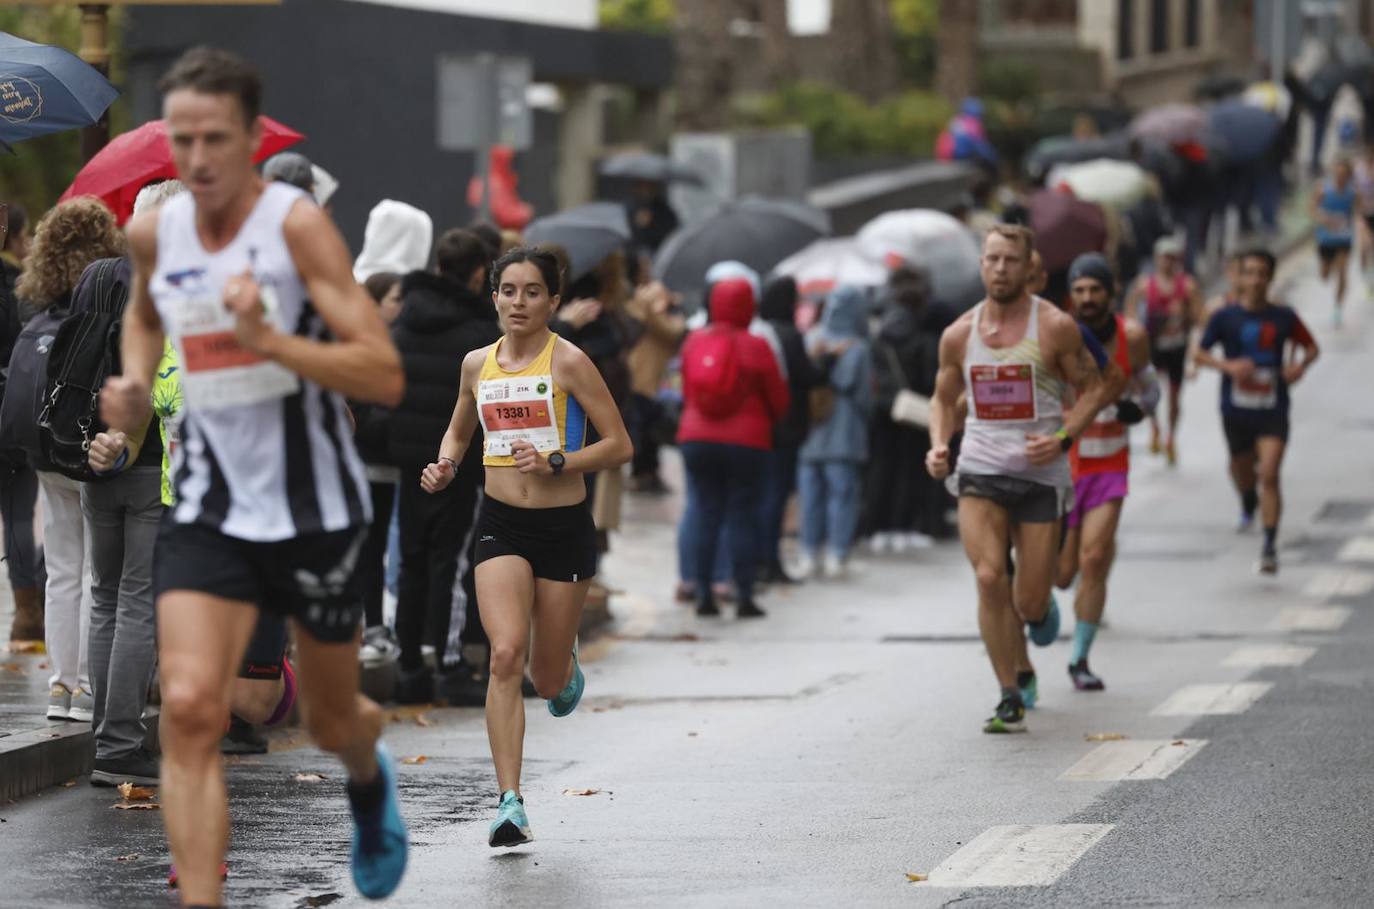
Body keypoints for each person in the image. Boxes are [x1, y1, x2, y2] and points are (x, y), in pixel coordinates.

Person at [100, 47, 408, 904]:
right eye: (183, 139)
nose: (197, 159)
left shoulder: (296, 228)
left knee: (332, 716)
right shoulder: (152, 230)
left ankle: (367, 775)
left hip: (312, 503)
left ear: (250, 139)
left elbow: (380, 372)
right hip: (207, 501)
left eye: (216, 140)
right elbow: (143, 315)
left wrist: (272, 342)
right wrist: (129, 388)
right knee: (193, 705)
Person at [421, 245, 631, 846]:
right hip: (501, 525)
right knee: (505, 654)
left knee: (542, 678)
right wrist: (444, 464)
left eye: (532, 292)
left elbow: (619, 445)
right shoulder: (475, 365)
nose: (519, 302)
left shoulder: (569, 363)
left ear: (554, 301)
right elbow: (460, 428)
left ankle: (562, 665)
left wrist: (558, 459)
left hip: (563, 530)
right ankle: (509, 801)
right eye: (508, 291)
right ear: (494, 297)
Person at [926, 225, 1107, 734]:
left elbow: (1093, 389)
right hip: (980, 469)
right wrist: (939, 445)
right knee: (988, 579)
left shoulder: (1054, 327)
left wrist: (1064, 437)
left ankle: (1038, 608)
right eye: (991, 259)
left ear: (1029, 266)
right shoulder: (959, 334)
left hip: (1039, 475)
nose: (1000, 269)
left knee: (1027, 601)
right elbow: (942, 399)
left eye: (1010, 260)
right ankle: (1009, 692)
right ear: (981, 265)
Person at [14, 198, 125, 713]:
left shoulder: (34, 307)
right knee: (96, 572)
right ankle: (86, 683)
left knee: (61, 568)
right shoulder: (104, 299)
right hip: (87, 445)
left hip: (42, 448)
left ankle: (60, 685)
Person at [389, 228, 500, 704]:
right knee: (450, 562)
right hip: (461, 463)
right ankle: (450, 664)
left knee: (411, 560)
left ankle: (409, 665)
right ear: (479, 275)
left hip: (408, 459)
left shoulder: (404, 321)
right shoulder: (481, 337)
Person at [1057, 254, 1156, 692]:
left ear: (1110, 292)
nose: (1088, 298)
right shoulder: (1056, 336)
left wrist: (1141, 408)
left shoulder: (1131, 337)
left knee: (1094, 559)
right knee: (1059, 576)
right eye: (1079, 290)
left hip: (1109, 464)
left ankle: (1079, 659)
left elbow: (1150, 387)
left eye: (1095, 289)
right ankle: (1043, 614)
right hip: (1059, 467)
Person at [1195, 249, 1319, 575]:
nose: (1256, 279)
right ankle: (1248, 498)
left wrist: (1298, 368)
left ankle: (1269, 546)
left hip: (1273, 406)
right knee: (1242, 469)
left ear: (1270, 277)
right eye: (1249, 272)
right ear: (1239, 276)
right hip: (1235, 408)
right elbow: (1199, 354)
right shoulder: (1225, 317)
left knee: (1271, 473)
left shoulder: (1284, 317)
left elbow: (1311, 347)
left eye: (1262, 273)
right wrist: (1228, 366)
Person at [676, 276, 788, 617]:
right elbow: (779, 399)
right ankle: (743, 594)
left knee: (705, 512)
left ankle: (703, 593)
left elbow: (686, 391)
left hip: (697, 438)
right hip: (746, 441)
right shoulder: (756, 344)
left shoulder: (694, 341)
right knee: (742, 515)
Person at [799, 285, 874, 579]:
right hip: (845, 432)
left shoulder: (811, 338)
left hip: (810, 434)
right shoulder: (858, 347)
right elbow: (864, 397)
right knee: (842, 495)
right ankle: (837, 553)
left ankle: (808, 551)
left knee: (810, 496)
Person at [866, 266, 942, 553]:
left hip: (882, 409)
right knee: (909, 471)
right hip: (913, 412)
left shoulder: (879, 337)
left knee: (881, 470)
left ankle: (878, 528)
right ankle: (905, 527)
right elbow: (928, 379)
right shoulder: (924, 340)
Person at [757, 276, 820, 582]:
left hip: (761, 428)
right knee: (776, 496)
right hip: (787, 427)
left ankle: (758, 560)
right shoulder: (790, 335)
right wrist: (826, 360)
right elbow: (807, 376)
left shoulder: (760, 332)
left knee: (761, 496)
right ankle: (769, 560)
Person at [1123, 236, 1202, 466]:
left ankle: (1171, 438)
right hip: (1152, 348)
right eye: (1164, 258)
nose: (1168, 262)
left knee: (1175, 397)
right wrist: (1136, 333)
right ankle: (1155, 427)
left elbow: (1200, 318)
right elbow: (1129, 313)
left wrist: (1184, 315)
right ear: (1157, 259)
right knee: (1148, 391)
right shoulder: (1144, 285)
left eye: (1172, 258)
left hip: (1177, 347)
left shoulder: (1187, 285)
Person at [624, 265, 686, 496]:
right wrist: (648, 310)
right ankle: (641, 472)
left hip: (655, 383)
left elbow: (673, 333)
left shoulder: (664, 316)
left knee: (652, 430)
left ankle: (649, 472)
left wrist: (654, 311)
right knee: (641, 429)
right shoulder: (639, 311)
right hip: (641, 379)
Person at [1310, 157, 1360, 327]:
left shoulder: (1353, 192)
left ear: (1348, 176)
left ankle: (1338, 308)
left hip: (1344, 237)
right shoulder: (1323, 190)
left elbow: (1358, 213)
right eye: (1338, 174)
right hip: (1325, 238)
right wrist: (1324, 218)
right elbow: (1312, 209)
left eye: (1344, 175)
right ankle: (1328, 265)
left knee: (1343, 272)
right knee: (1324, 275)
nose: (1340, 178)